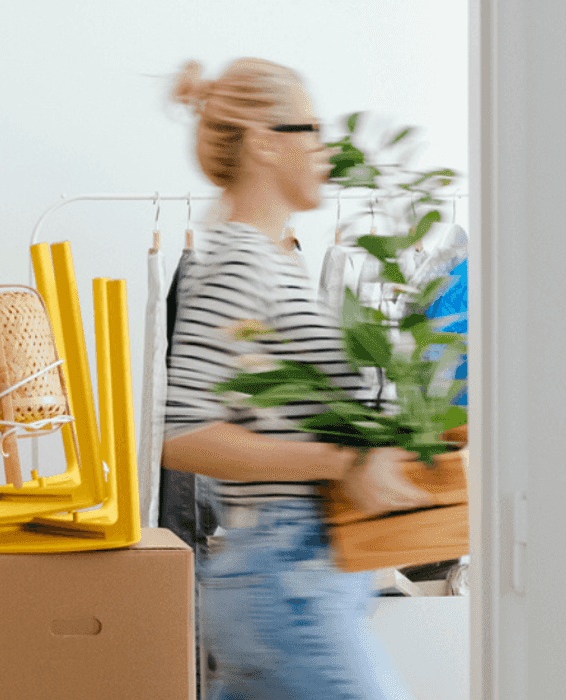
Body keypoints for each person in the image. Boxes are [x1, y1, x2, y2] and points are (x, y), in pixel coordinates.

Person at [161, 58, 430, 700]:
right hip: (285, 580)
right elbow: (182, 433)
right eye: (310, 128)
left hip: (300, 577)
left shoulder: (277, 263)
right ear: (262, 141)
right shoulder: (239, 263)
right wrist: (342, 463)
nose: (326, 148)